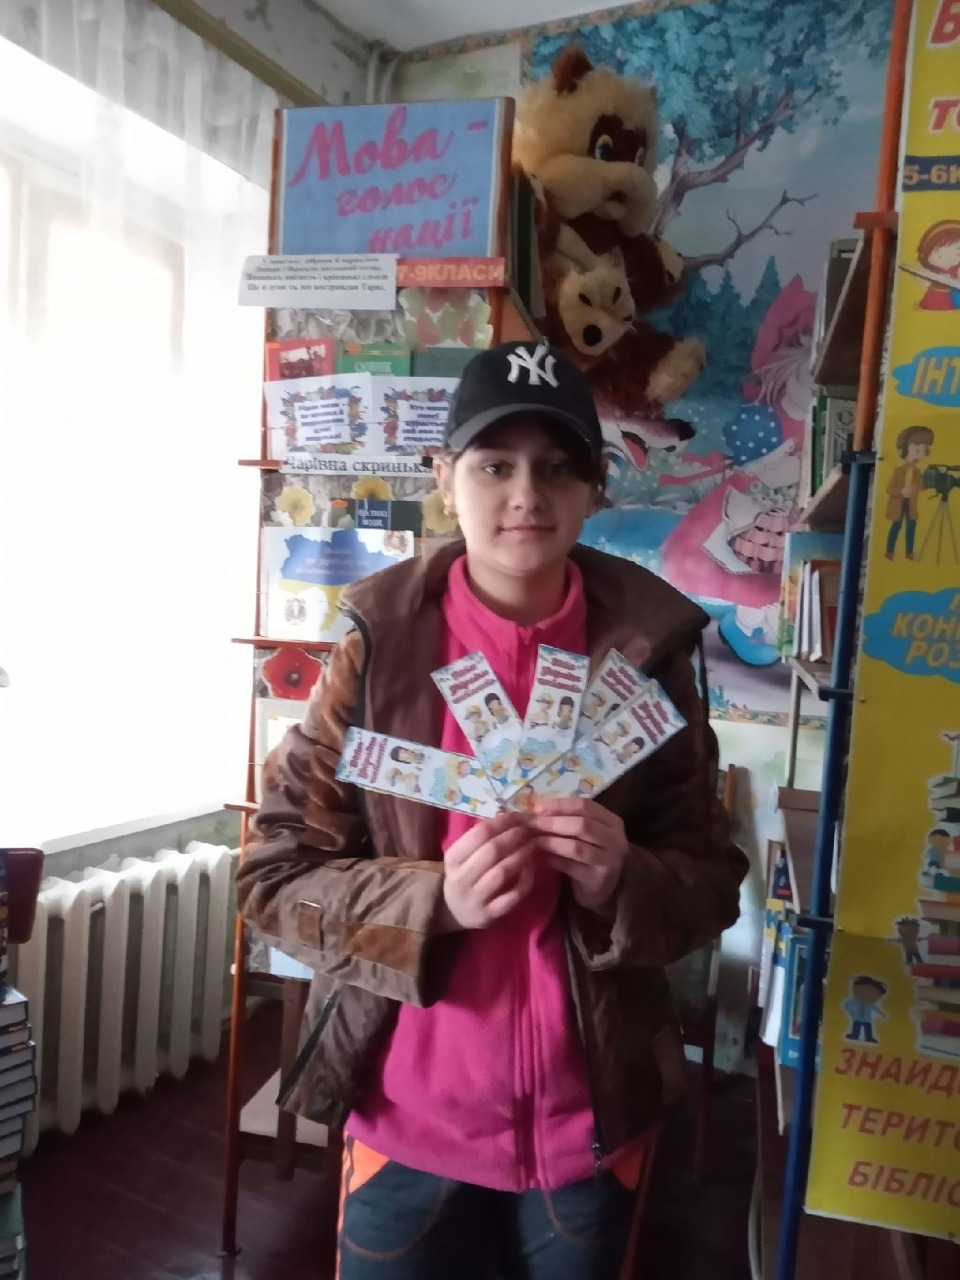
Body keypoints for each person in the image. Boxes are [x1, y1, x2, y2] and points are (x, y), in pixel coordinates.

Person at [237, 340, 748, 1280]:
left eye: (558, 468)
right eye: (494, 464)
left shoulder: (654, 651)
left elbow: (711, 886)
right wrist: (431, 903)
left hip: (591, 1128)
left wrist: (623, 880)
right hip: (405, 1120)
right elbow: (273, 880)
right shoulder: (377, 650)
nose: (526, 494)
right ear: (445, 477)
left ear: (595, 488)